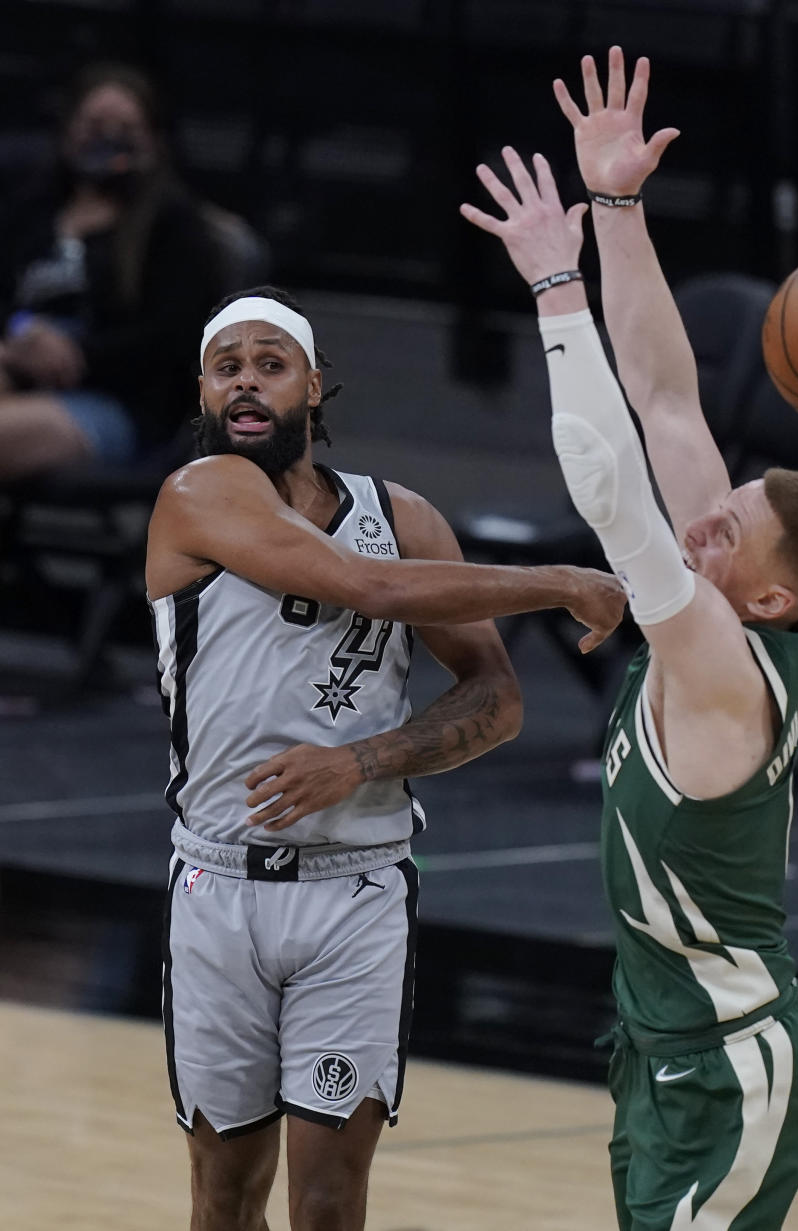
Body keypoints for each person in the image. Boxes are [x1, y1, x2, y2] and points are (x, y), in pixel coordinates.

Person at [460, 47, 798, 1231]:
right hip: (666, 1052)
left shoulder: (716, 658)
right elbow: (666, 398)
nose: (707, 517)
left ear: (774, 600)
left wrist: (555, 288)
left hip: (734, 1070)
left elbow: (608, 488)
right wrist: (618, 207)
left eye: (729, 524)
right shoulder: (727, 590)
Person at [145, 284, 626, 1231]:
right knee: (224, 1193)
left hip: (356, 892)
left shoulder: (401, 517)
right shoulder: (197, 493)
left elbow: (496, 701)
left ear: (315, 386)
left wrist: (359, 760)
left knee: (329, 1202)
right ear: (201, 392)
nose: (246, 381)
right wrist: (562, 580)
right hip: (217, 888)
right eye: (225, 366)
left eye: (270, 364)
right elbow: (362, 584)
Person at [0, 63, 222, 480]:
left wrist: (72, 357)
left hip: (114, 400)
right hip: (20, 368)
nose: (107, 137)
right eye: (95, 123)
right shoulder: (34, 207)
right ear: (69, 130)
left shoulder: (173, 226)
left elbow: (169, 337)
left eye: (124, 127)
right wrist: (21, 331)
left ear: (153, 142)